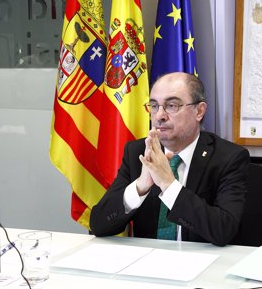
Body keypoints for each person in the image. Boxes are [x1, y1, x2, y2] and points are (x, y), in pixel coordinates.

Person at [89, 72, 250, 246]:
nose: (159, 116)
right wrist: (140, 186)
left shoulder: (229, 158)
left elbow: (223, 230)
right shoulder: (139, 152)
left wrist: (168, 184)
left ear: (199, 111)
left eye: (172, 105)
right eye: (154, 106)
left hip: (201, 264)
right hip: (147, 264)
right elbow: (98, 225)